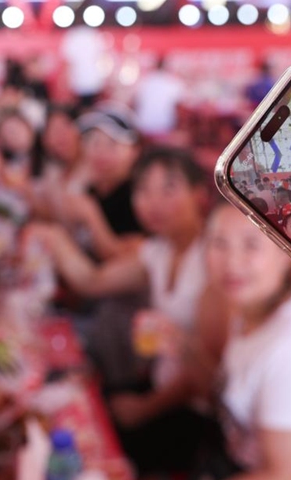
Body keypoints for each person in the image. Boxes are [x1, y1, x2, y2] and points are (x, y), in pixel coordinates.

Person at [30, 148, 208, 474]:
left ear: (199, 196)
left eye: (168, 189)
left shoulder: (215, 256)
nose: (153, 203)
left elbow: (211, 369)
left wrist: (143, 409)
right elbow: (92, 281)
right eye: (143, 189)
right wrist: (54, 239)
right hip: (160, 388)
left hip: (196, 412)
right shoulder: (157, 251)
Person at [203, 200, 291, 479]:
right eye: (219, 243)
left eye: (250, 245)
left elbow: (282, 474)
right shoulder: (249, 306)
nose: (231, 262)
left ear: (284, 254)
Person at [56, 104, 146, 259]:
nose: (100, 152)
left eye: (112, 143)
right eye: (94, 142)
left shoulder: (139, 196)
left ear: (134, 151)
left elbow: (123, 259)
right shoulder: (92, 186)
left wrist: (90, 213)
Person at [134, 56, 185, 138]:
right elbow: (182, 99)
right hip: (164, 126)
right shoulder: (172, 82)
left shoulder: (145, 81)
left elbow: (136, 100)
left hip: (143, 125)